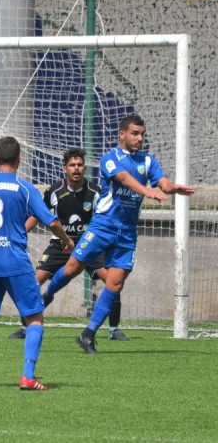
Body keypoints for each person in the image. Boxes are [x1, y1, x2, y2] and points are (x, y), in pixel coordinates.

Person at [43, 115, 196, 354]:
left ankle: (88, 334)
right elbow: (123, 179)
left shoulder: (148, 160)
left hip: (126, 232)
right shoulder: (110, 158)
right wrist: (147, 191)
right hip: (102, 226)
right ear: (122, 134)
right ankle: (48, 295)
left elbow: (163, 183)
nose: (140, 138)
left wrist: (173, 188)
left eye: (142, 134)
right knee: (72, 268)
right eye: (135, 133)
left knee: (115, 284)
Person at [0, 136, 74, 391]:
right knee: (34, 318)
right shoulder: (23, 188)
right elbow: (51, 222)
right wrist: (66, 240)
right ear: (20, 159)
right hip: (16, 262)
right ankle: (28, 377)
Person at [8, 148, 128, 341]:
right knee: (34, 281)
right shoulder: (54, 191)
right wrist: (18, 234)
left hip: (90, 245)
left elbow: (107, 218)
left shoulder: (96, 192)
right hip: (61, 245)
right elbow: (37, 215)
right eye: (72, 165)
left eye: (80, 165)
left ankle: (113, 329)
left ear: (85, 167)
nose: (76, 169)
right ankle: (26, 327)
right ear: (65, 168)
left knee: (113, 281)